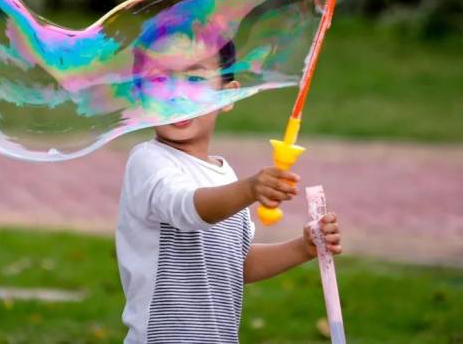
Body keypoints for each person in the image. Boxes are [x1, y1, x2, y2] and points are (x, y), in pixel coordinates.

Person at [116, 29, 342, 344]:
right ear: (141, 96)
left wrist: (303, 247)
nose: (177, 94)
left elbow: (239, 263)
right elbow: (187, 208)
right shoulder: (148, 162)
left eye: (195, 80)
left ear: (228, 95)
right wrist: (250, 189)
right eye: (159, 81)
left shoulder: (224, 176)